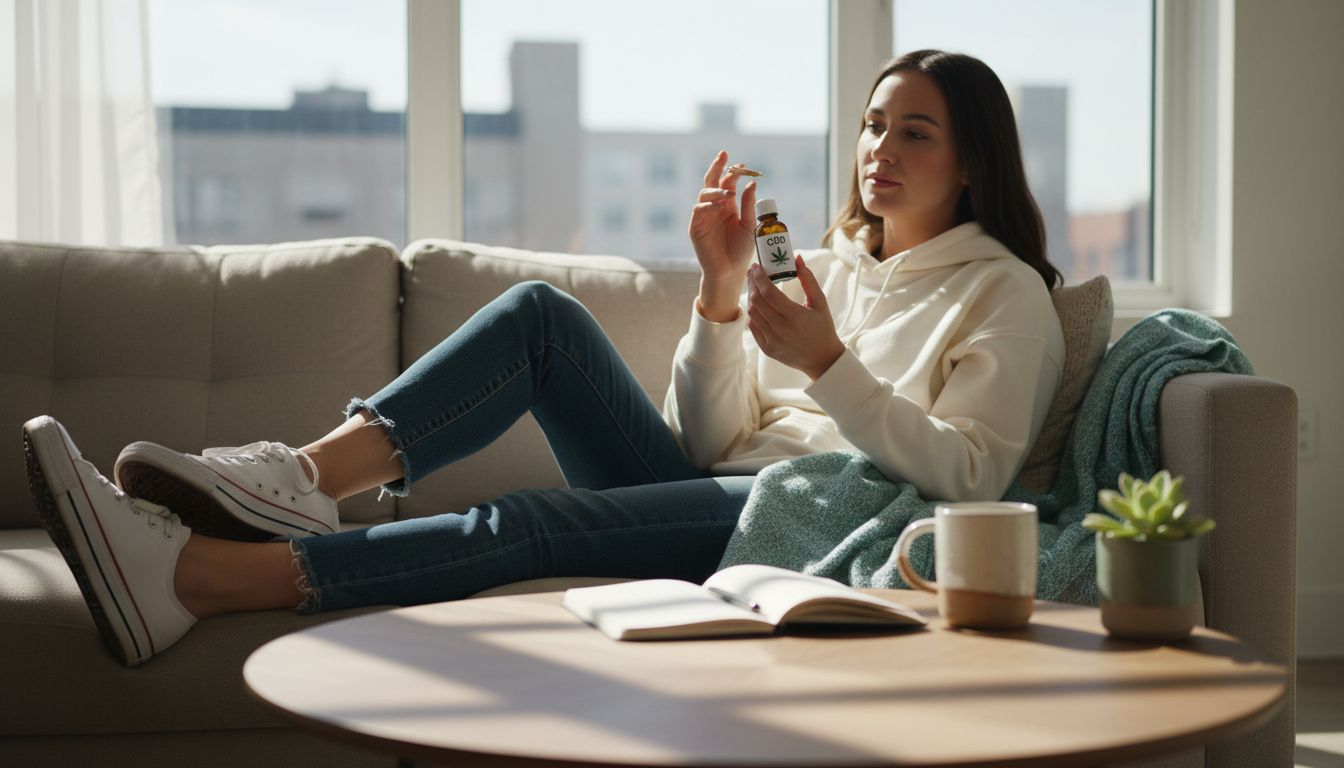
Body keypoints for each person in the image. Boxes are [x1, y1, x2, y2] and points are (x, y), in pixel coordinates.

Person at [23, 49, 1065, 667]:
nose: (879, 149)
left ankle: (204, 577)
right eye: (874, 125)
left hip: (805, 519)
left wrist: (835, 368)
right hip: (720, 495)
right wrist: (715, 294)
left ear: (972, 163)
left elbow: (973, 474)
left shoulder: (1002, 292)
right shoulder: (826, 265)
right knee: (537, 316)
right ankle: (302, 478)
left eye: (916, 134)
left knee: (531, 522)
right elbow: (706, 442)